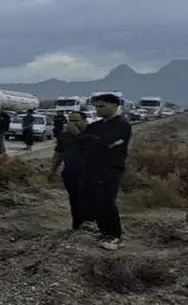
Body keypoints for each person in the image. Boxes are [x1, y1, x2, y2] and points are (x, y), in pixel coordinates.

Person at [79, 94, 132, 249]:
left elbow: (106, 144)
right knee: (94, 200)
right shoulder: (96, 125)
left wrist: (93, 141)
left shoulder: (122, 125)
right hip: (92, 168)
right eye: (96, 106)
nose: (98, 109)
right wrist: (92, 140)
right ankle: (104, 231)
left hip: (110, 169)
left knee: (106, 201)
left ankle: (114, 236)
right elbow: (82, 140)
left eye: (102, 106)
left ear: (115, 106)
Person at [49, 110, 88, 231]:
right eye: (70, 121)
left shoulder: (92, 135)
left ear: (84, 121)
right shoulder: (65, 136)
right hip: (71, 174)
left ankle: (90, 225)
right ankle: (77, 227)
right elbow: (58, 154)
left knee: (88, 200)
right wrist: (52, 170)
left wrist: (78, 134)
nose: (73, 124)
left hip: (89, 175)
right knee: (75, 201)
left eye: (76, 121)